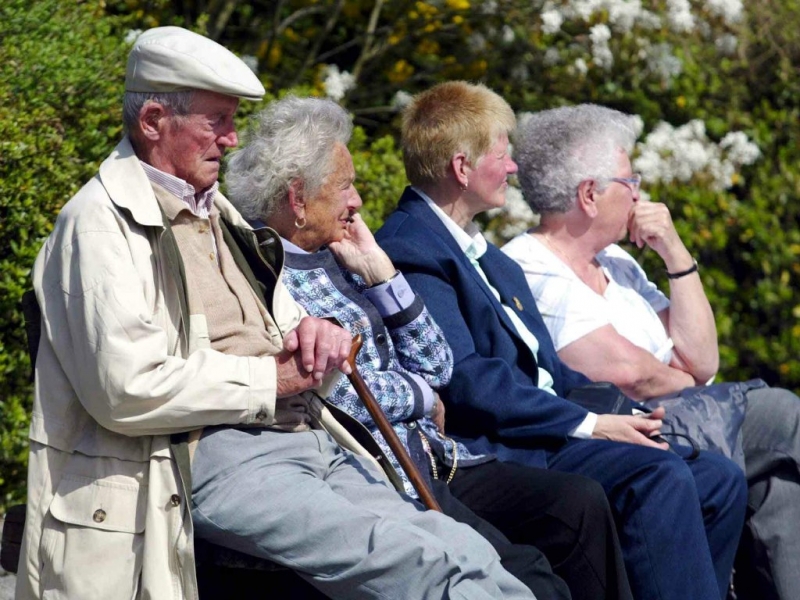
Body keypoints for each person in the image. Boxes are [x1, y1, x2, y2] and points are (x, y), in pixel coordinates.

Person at [16, 29, 537, 600]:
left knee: (464, 548)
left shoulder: (220, 216)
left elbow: (273, 326)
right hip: (211, 453)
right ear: (154, 121)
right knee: (422, 564)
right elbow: (125, 386)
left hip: (305, 438)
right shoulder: (97, 224)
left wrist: (309, 331)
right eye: (217, 121)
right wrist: (275, 376)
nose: (232, 138)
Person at [224, 94, 635, 600]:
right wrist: (421, 398)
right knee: (531, 576)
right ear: (297, 199)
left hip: (439, 456)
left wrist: (382, 275)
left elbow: (438, 364)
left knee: (574, 513)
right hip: (387, 471)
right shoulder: (274, 278)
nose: (357, 201)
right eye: (346, 187)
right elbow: (342, 393)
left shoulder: (342, 254)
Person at [375, 80, 749, 600]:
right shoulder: (412, 248)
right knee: (658, 477)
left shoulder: (491, 259)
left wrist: (623, 412)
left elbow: (551, 370)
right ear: (463, 169)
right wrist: (593, 424)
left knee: (718, 478)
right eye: (502, 155)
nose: (513, 169)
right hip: (505, 446)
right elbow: (465, 379)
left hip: (549, 429)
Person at [502, 102, 800, 600]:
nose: (640, 194)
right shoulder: (530, 268)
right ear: (590, 194)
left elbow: (703, 359)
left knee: (780, 484)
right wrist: (692, 382)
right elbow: (633, 376)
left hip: (685, 411)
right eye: (629, 180)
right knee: (783, 415)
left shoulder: (617, 262)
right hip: (634, 426)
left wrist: (675, 253)